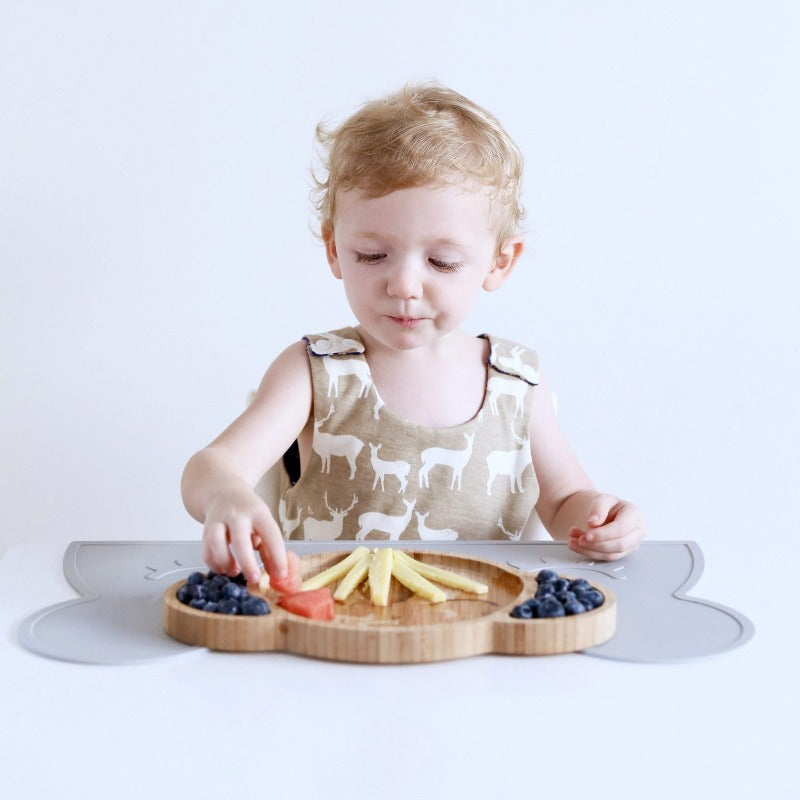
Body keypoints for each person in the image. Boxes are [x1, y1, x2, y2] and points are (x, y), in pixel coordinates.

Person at [181, 84, 645, 585]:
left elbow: (563, 502)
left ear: (499, 261)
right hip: (331, 633)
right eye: (372, 255)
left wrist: (600, 517)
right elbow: (211, 466)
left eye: (441, 262)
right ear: (334, 248)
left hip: (480, 630)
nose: (403, 285)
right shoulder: (314, 373)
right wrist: (226, 494)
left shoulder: (519, 385)